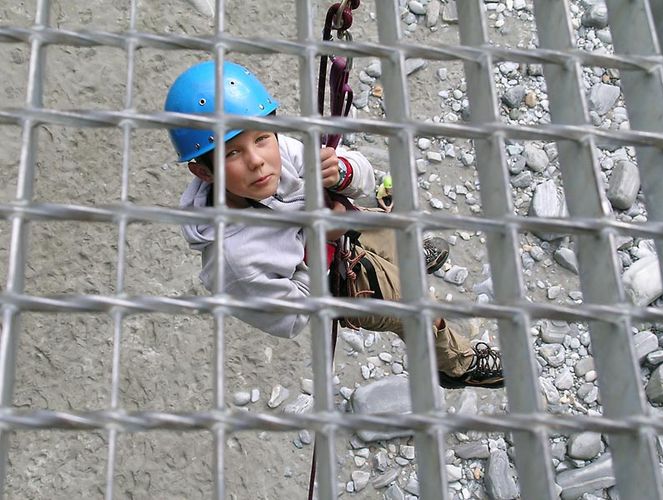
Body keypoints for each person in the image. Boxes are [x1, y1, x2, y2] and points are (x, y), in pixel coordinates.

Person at [164, 60, 504, 389]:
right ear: (203, 171)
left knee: (397, 239)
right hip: (339, 282)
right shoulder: (234, 261)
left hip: (347, 229)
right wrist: (321, 245)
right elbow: (290, 318)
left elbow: (364, 183)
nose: (257, 161)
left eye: (261, 138)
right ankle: (457, 364)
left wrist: (341, 171)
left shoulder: (279, 153)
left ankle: (403, 257)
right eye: (231, 153)